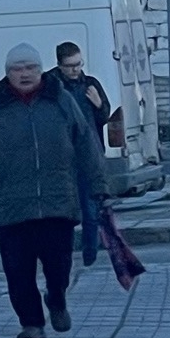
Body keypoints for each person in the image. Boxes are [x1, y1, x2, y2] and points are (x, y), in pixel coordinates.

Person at [0, 43, 107, 338]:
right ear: (7, 74)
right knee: (18, 272)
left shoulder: (60, 100)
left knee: (59, 267)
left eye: (30, 68)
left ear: (41, 70)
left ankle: (56, 301)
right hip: (10, 204)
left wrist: (99, 186)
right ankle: (31, 323)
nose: (24, 74)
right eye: (17, 69)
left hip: (56, 201)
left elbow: (85, 142)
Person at [55, 42, 113, 264]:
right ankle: (63, 256)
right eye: (70, 66)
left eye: (79, 64)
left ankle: (90, 256)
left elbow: (104, 117)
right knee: (64, 213)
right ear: (60, 65)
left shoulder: (90, 84)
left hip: (88, 157)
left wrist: (99, 105)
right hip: (62, 159)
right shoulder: (53, 86)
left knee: (90, 211)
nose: (75, 70)